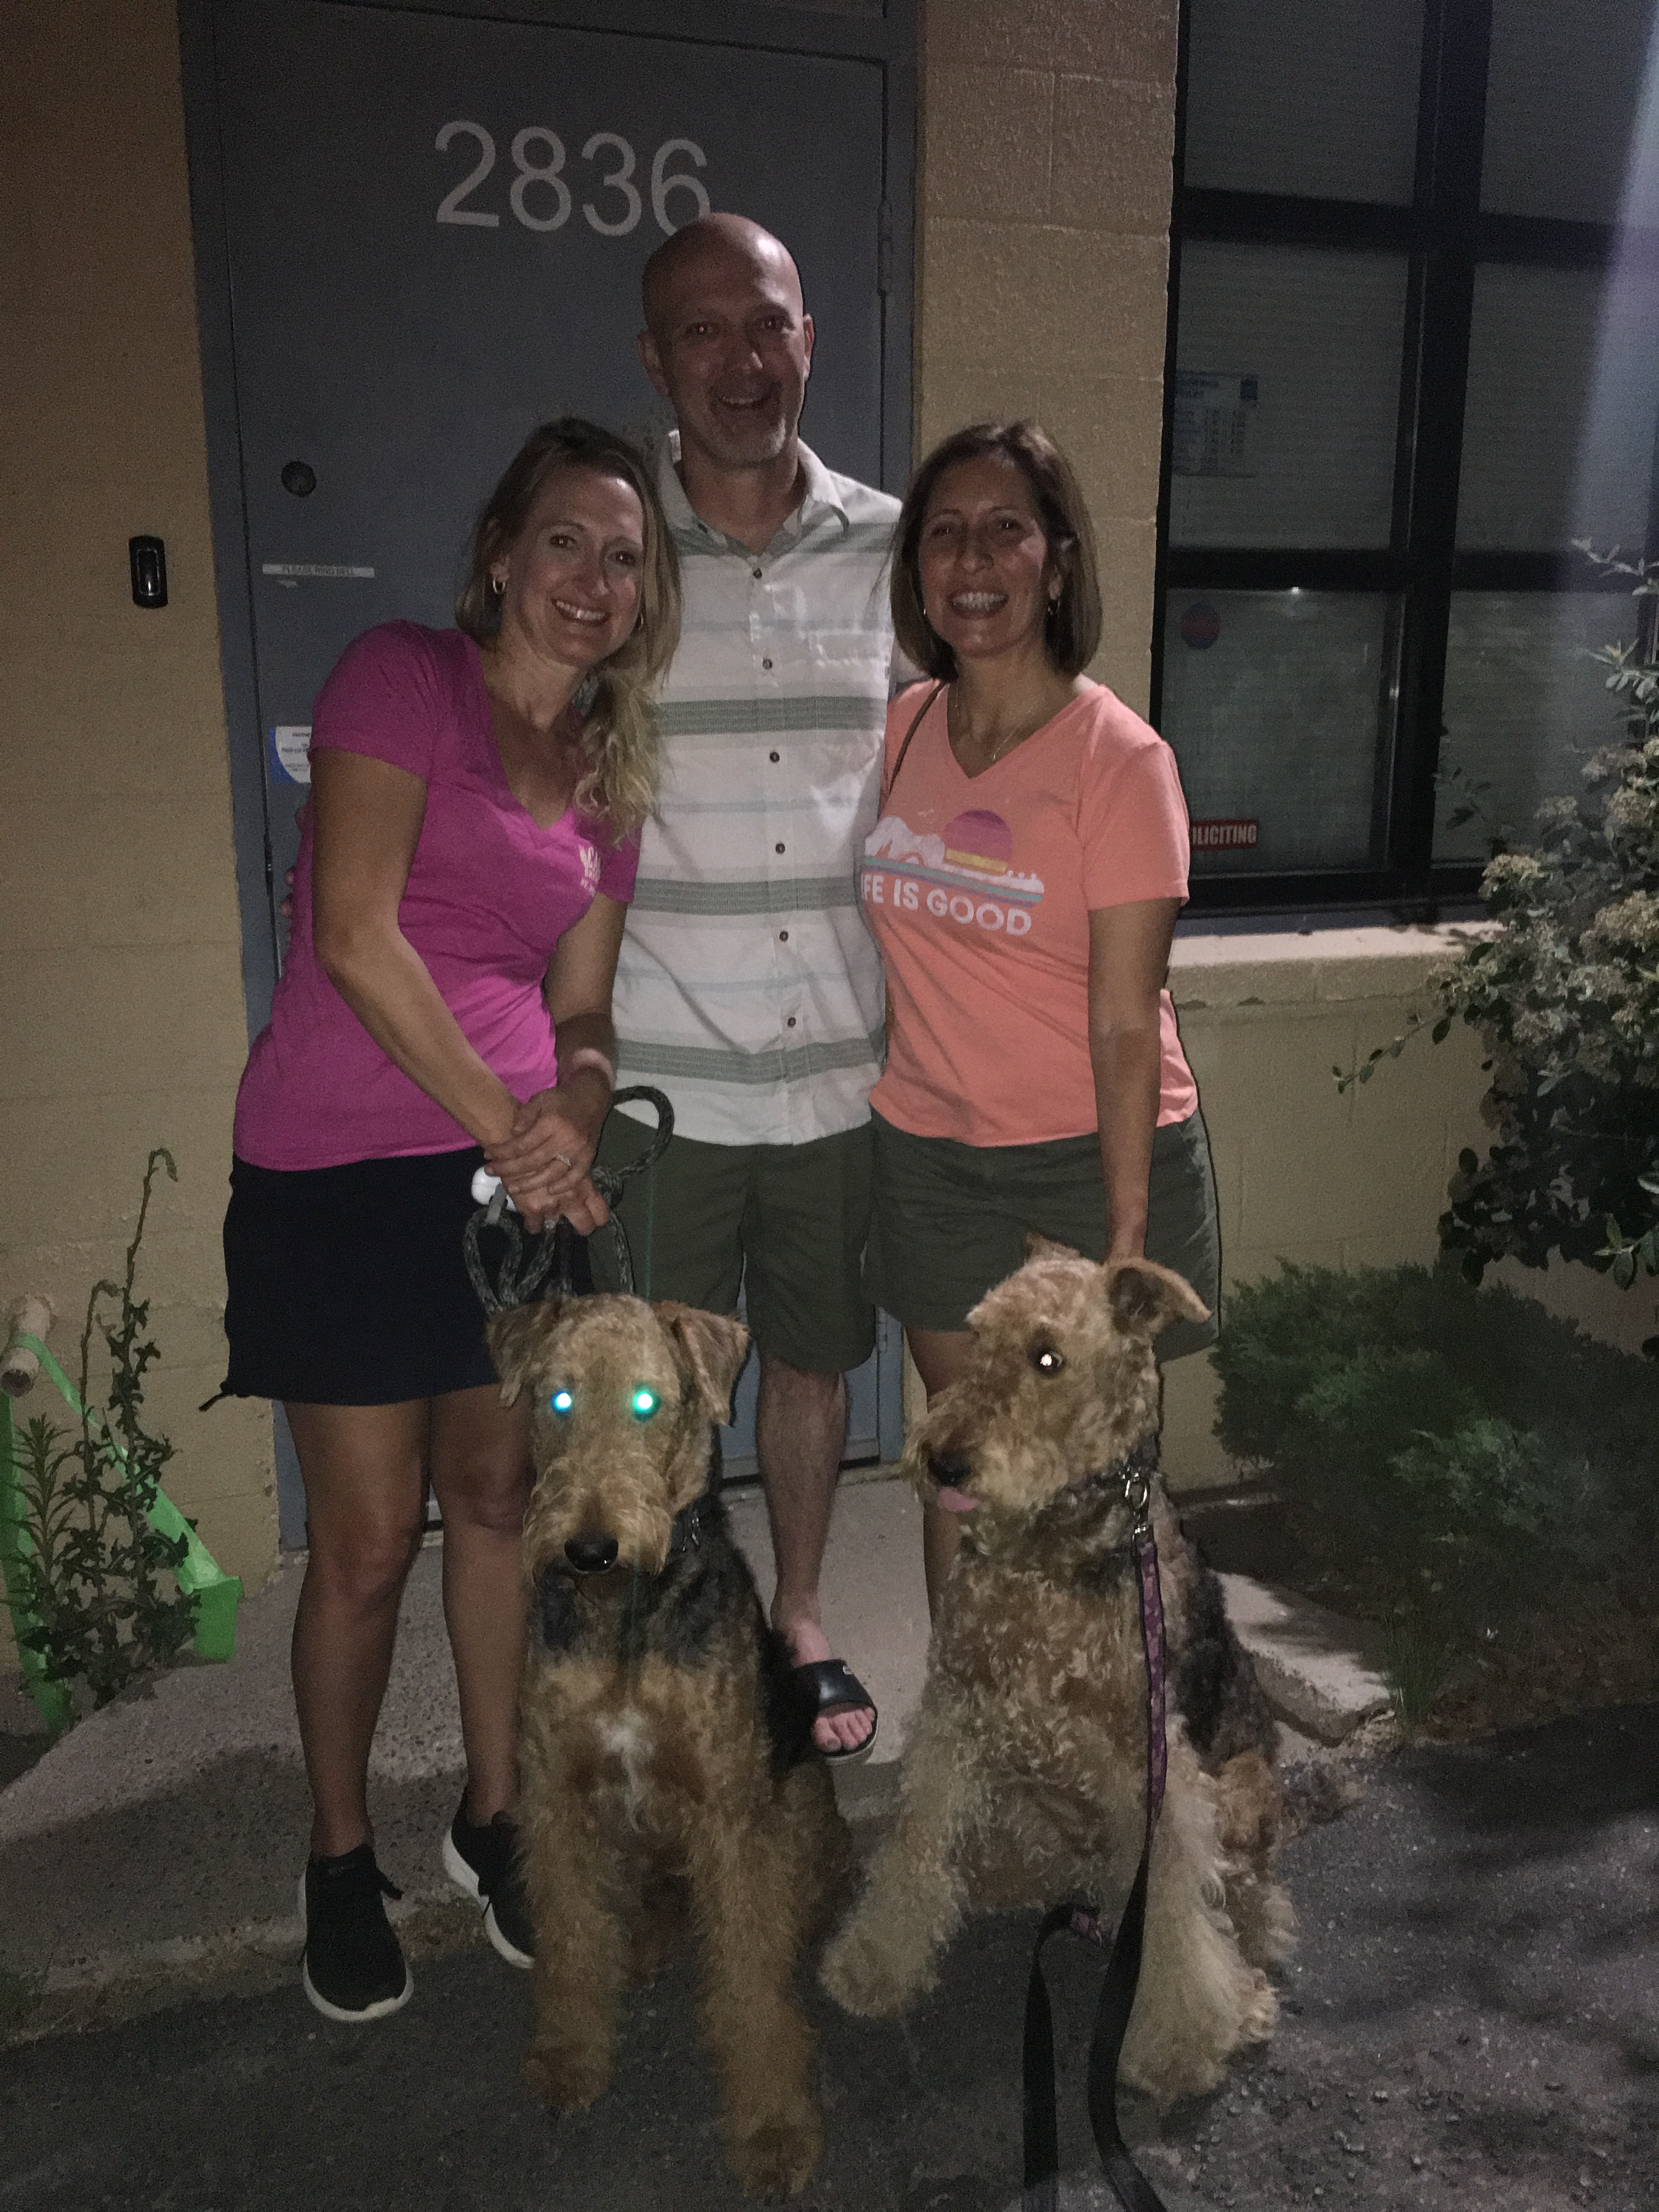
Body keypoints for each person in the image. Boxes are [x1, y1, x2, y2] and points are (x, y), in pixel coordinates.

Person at [221, 417, 680, 2022]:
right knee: (361, 1545)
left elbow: (587, 1008)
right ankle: (340, 1855)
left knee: (497, 1506)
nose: (594, 580)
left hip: (508, 1184)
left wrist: (581, 1104)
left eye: (625, 558)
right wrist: (519, 1132)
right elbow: (356, 935)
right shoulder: (401, 678)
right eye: (566, 542)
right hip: (341, 1174)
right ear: (500, 552)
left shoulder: (610, 776)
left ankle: (494, 1819)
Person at [592, 213, 901, 1757]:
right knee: (650, 1387)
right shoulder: (611, 556)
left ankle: (799, 1614)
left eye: (766, 322)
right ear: (655, 360)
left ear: (808, 339)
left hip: (842, 1064)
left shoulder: (898, 549)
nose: (741, 359)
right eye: (702, 330)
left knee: (813, 1365)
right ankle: (664, 1633)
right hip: (661, 1073)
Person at [857, 420, 1221, 1616]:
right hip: (931, 1154)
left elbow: (1124, 1021)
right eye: (945, 533)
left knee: (1082, 1469)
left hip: (1088, 1155)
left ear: (1057, 564)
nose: (972, 559)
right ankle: (972, 1699)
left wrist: (1124, 1233)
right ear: (918, 569)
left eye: (1005, 530)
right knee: (963, 1461)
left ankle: (1105, 1699)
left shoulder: (1120, 761)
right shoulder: (903, 729)